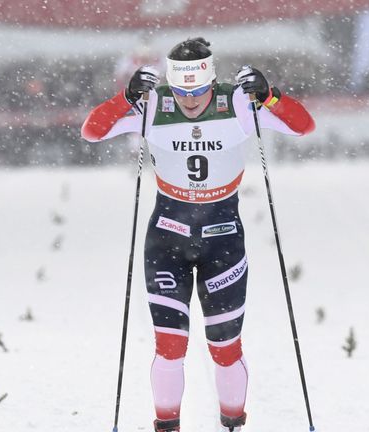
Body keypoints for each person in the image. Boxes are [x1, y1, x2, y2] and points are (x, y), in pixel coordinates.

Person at [81, 37, 314, 432]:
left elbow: (303, 126)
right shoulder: (155, 104)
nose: (190, 101)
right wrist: (125, 98)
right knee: (170, 347)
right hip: (166, 241)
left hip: (222, 242)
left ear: (212, 81)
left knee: (225, 349)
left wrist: (269, 96)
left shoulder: (237, 103)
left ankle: (233, 423)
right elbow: (92, 131)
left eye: (199, 90)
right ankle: (167, 426)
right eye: (183, 91)